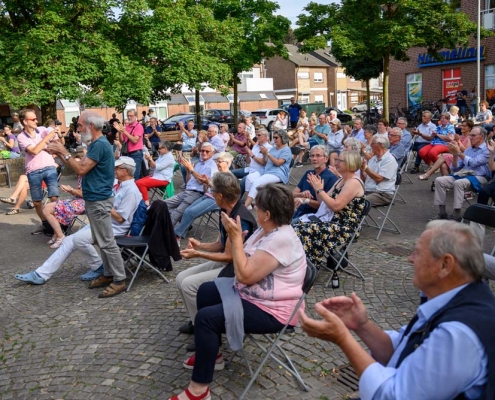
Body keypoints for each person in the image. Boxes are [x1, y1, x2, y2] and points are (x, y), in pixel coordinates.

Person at [300, 220, 495, 400]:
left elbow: (392, 395)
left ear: (445, 265)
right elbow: (402, 349)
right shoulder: (456, 297)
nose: (410, 259)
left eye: (417, 253)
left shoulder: (458, 334)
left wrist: (342, 338)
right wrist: (362, 325)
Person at [170, 184, 306, 400]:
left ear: (267, 214)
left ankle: (198, 391)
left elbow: (243, 275)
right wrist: (236, 241)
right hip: (253, 294)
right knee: (205, 290)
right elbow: (243, 259)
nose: (255, 211)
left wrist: (235, 239)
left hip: (273, 310)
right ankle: (212, 355)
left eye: (258, 207)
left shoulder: (281, 240)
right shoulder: (266, 230)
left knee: (206, 318)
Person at [14, 157, 141, 285]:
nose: (114, 170)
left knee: (78, 239)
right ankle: (41, 274)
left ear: (126, 171)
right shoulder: (118, 186)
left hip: (112, 227)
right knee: (68, 240)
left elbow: (120, 218)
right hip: (101, 222)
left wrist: (103, 203)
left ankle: (98, 266)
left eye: (117, 168)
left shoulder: (131, 191)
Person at [46, 112, 130, 298]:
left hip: (99, 200)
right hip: (95, 199)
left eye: (80, 125)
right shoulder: (97, 145)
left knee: (107, 242)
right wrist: (62, 155)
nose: (78, 129)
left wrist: (63, 152)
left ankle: (119, 279)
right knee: (102, 240)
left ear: (91, 126)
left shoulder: (99, 145)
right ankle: (109, 274)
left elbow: (82, 169)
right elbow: (81, 166)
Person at [175, 172, 257, 344]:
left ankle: (206, 334)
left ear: (220, 196)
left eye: (213, 192)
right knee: (181, 277)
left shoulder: (239, 217)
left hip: (239, 269)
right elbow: (222, 244)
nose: (211, 195)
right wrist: (200, 245)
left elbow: (228, 256)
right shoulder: (226, 210)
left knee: (189, 285)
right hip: (231, 263)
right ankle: (196, 321)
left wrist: (198, 254)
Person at [292, 151, 365, 268]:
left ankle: (307, 267)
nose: (336, 163)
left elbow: (336, 206)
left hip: (343, 226)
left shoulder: (353, 183)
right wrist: (317, 189)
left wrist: (321, 190)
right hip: (330, 220)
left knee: (303, 230)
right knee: (293, 227)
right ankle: (298, 264)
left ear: (350, 163)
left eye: (340, 161)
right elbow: (322, 203)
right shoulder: (341, 180)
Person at [17, 109, 61, 234]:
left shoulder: (42, 129)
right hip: (33, 170)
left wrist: (56, 135)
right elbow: (35, 151)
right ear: (25, 122)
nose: (37, 121)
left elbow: (57, 142)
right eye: (33, 119)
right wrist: (47, 139)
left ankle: (60, 223)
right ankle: (46, 224)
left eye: (36, 118)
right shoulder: (21, 137)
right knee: (36, 202)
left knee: (54, 197)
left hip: (49, 167)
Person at [432, 126, 490, 221]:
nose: (470, 137)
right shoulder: (468, 150)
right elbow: (454, 168)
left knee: (459, 183)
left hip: (480, 177)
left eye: (473, 135)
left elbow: (474, 162)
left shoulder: (487, 149)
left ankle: (456, 214)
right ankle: (442, 212)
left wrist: (459, 152)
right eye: (470, 135)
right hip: (464, 175)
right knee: (439, 180)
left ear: (482, 136)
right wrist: (455, 154)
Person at [174, 152, 234, 243]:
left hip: (217, 200)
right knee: (187, 210)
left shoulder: (229, 176)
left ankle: (176, 236)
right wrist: (205, 183)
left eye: (220, 162)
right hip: (207, 196)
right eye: (217, 161)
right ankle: (181, 232)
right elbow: (207, 189)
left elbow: (221, 193)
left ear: (227, 163)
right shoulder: (217, 174)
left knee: (191, 212)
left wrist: (208, 182)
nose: (217, 164)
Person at [165, 142, 217, 225]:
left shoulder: (212, 166)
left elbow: (202, 181)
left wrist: (192, 170)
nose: (204, 153)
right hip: (187, 191)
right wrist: (188, 172)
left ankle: (166, 233)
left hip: (198, 194)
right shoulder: (199, 163)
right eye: (202, 151)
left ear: (212, 153)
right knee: (163, 205)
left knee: (177, 212)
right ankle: (183, 221)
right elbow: (189, 181)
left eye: (207, 151)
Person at [244, 130, 292, 209]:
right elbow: (265, 162)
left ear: (283, 138)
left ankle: (245, 206)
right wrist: (263, 155)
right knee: (249, 178)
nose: (274, 139)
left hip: (277, 173)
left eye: (276, 138)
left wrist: (267, 153)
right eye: (274, 138)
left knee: (257, 182)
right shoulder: (273, 149)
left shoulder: (286, 150)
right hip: (266, 170)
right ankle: (250, 204)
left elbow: (278, 163)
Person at [292, 145, 338, 220]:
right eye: (312, 156)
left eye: (318, 156)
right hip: (298, 211)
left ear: (326, 159)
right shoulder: (308, 173)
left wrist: (306, 200)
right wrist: (301, 194)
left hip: (314, 216)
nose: (314, 159)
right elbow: (292, 194)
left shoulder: (331, 178)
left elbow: (324, 206)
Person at [43, 172, 85, 249]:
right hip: (77, 201)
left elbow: (86, 194)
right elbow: (79, 193)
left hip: (85, 204)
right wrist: (70, 190)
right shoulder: (81, 175)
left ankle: (60, 236)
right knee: (46, 207)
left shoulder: (89, 175)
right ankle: (56, 234)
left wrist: (71, 189)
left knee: (48, 210)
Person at [232, 128, 273, 197]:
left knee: (244, 181)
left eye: (259, 135)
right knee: (230, 173)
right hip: (250, 168)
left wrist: (252, 155)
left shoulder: (268, 148)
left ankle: (237, 201)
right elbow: (248, 161)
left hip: (259, 171)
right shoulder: (256, 146)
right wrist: (248, 153)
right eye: (256, 135)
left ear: (265, 136)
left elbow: (264, 163)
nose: (256, 136)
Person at [360, 136, 398, 206]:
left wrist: (365, 168)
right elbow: (366, 178)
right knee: (347, 197)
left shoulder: (389, 160)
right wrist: (361, 168)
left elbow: (379, 179)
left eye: (373, 143)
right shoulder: (373, 158)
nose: (370, 145)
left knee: (359, 202)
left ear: (380, 145)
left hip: (383, 194)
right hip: (369, 190)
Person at [136, 140, 175, 206]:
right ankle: (141, 200)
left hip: (163, 179)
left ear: (165, 149)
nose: (158, 150)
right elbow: (152, 167)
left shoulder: (169, 157)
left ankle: (146, 202)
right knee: (137, 182)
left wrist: (150, 160)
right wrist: (149, 160)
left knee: (140, 183)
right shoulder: (162, 155)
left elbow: (158, 167)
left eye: (159, 148)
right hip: (156, 176)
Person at [113, 109, 145, 180]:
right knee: (125, 175)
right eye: (128, 116)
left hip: (136, 154)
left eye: (131, 116)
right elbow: (122, 140)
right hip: (127, 153)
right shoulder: (126, 126)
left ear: (136, 116)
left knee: (134, 175)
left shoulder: (138, 126)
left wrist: (124, 131)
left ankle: (134, 190)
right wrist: (120, 132)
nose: (129, 117)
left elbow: (135, 140)